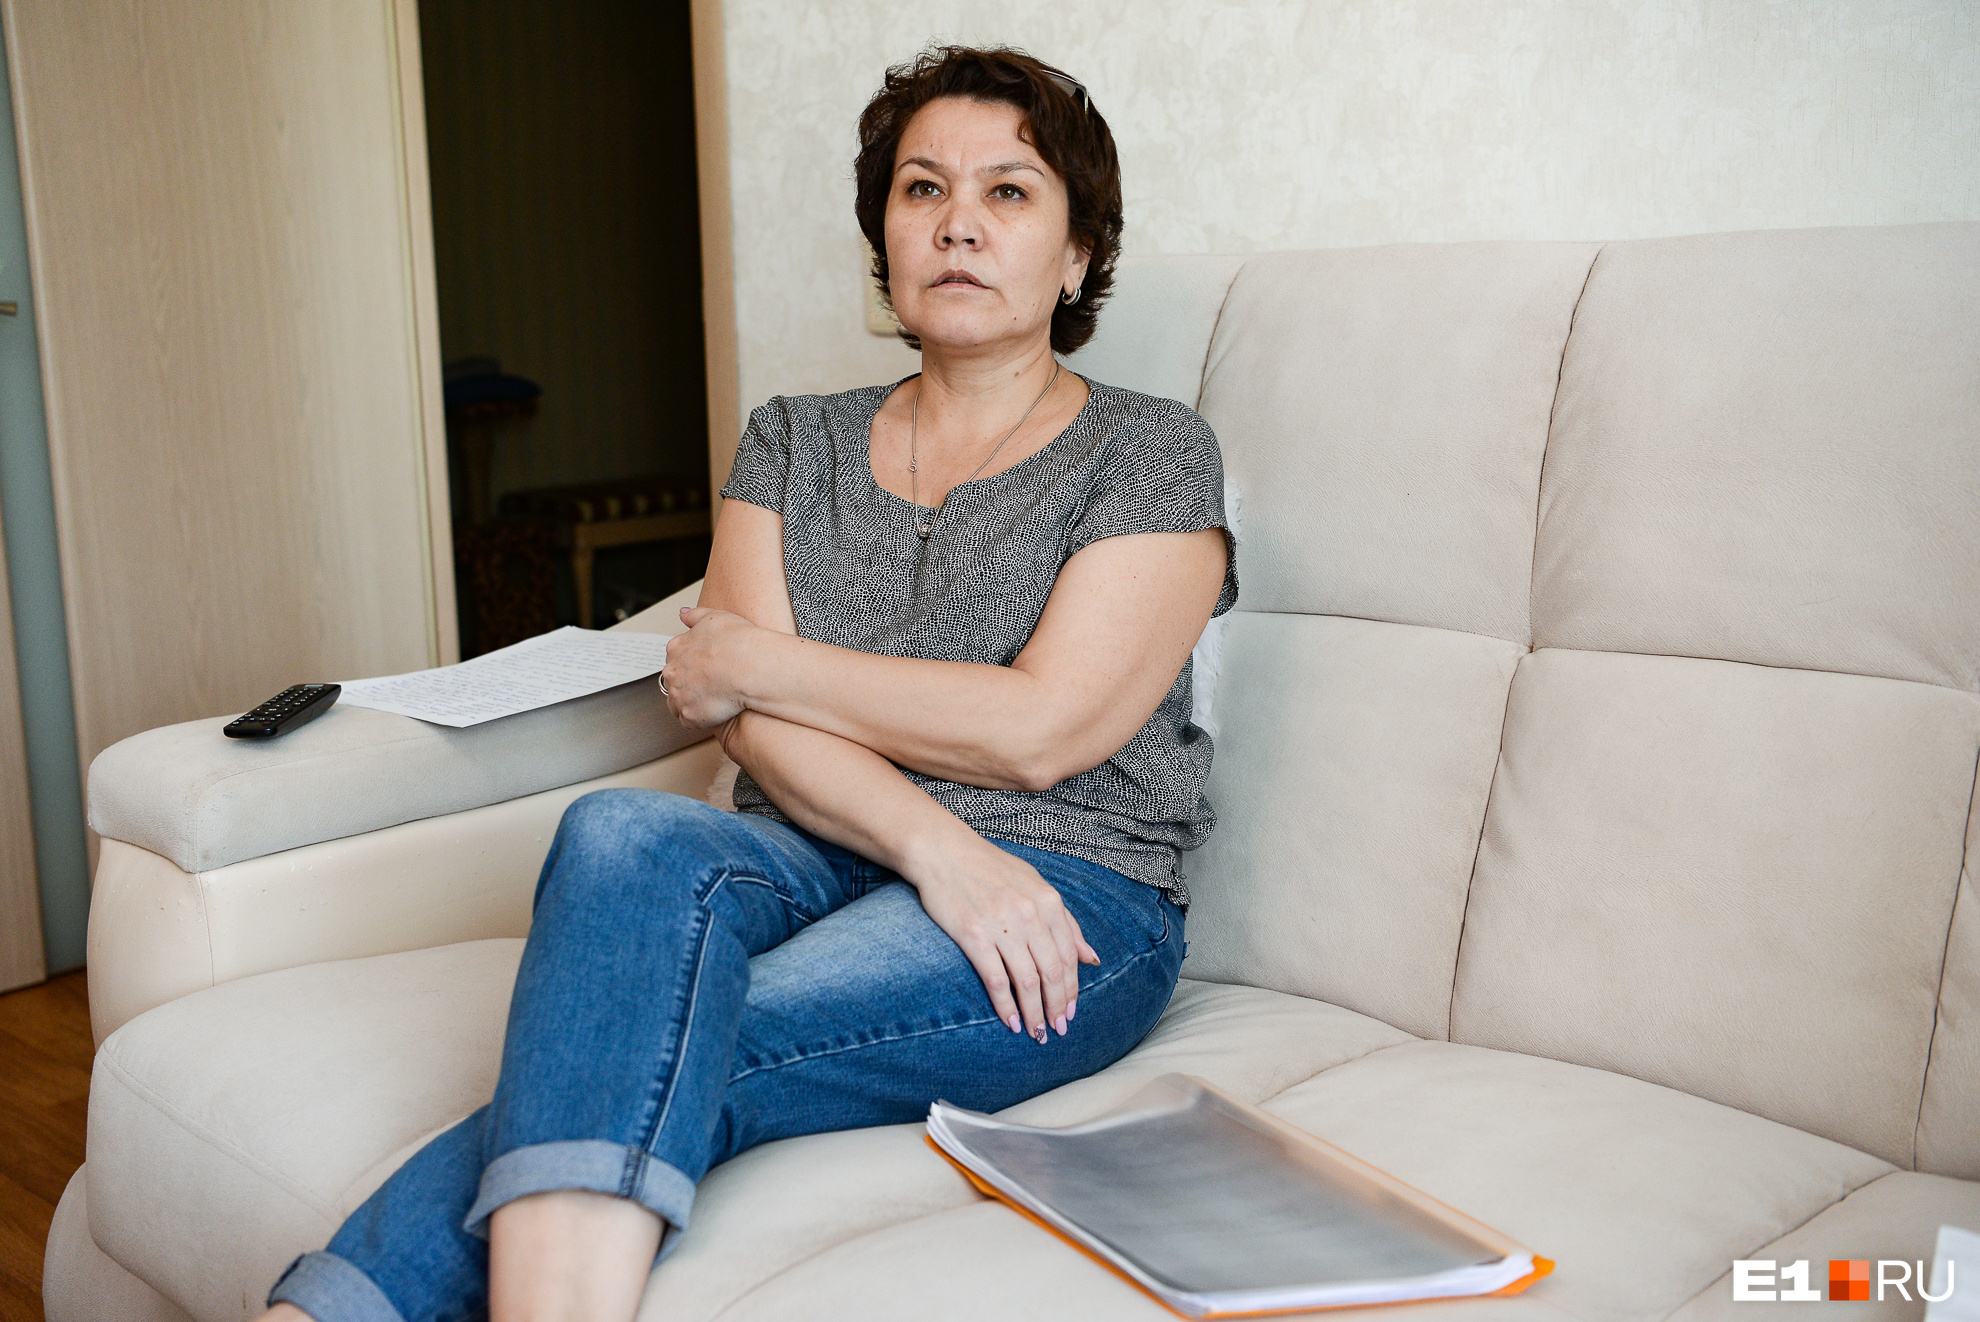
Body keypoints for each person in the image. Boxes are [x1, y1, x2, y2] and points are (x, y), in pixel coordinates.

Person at [257, 44, 1236, 1322]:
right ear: (885, 236)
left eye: (1008, 191)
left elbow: (1039, 730)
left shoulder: (1150, 449)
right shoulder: (792, 436)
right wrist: (939, 847)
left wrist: (762, 660)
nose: (957, 223)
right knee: (620, 832)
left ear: (1076, 254)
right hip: (821, 844)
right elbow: (756, 734)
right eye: (923, 188)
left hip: (1064, 889)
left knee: (667, 1033)